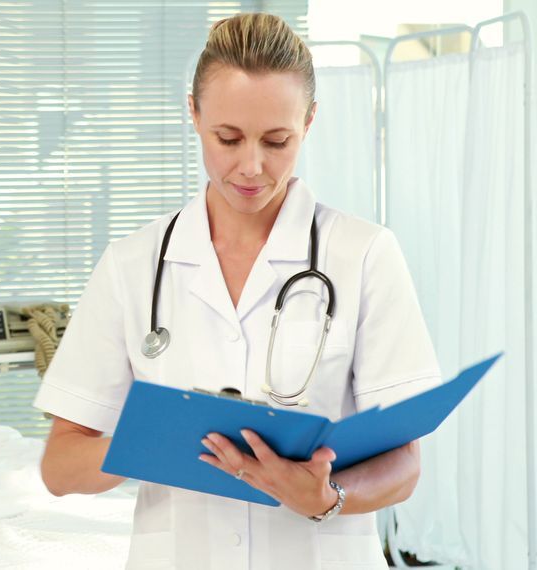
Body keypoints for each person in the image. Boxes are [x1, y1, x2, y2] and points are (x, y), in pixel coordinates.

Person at [32, 13, 441, 570]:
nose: (251, 167)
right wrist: (167, 444)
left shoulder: (364, 255)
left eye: (277, 141)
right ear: (194, 114)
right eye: (229, 138)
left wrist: (325, 498)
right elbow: (60, 467)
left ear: (310, 121)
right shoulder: (132, 266)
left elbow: (405, 464)